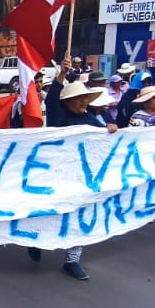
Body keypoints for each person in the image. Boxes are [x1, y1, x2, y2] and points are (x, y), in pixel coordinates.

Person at [36, 81, 120, 280]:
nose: (84, 102)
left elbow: (106, 140)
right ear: (68, 101)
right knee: (48, 213)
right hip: (56, 176)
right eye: (79, 98)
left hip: (82, 180)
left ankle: (72, 261)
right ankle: (36, 242)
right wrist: (61, 77)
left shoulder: (91, 120)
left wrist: (110, 129)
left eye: (85, 98)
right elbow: (50, 101)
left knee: (80, 217)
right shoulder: (59, 117)